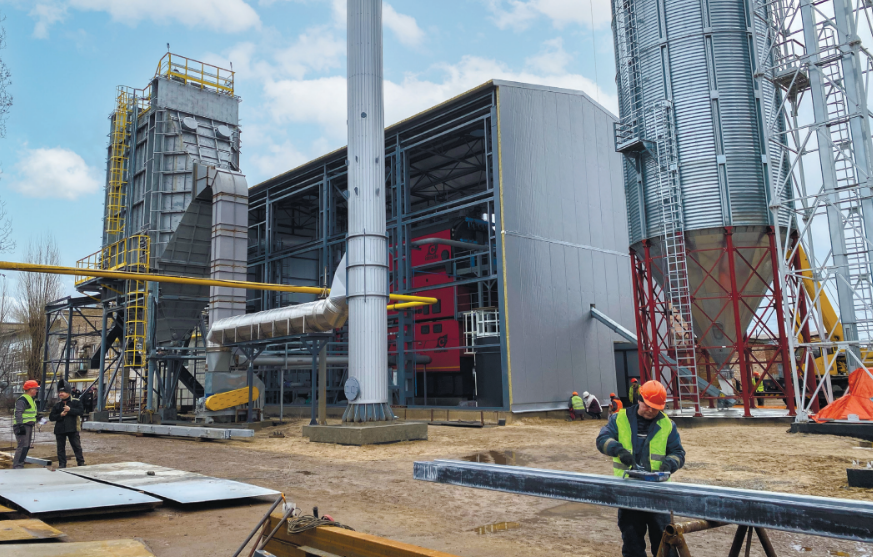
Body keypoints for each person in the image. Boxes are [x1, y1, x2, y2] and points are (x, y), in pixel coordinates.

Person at [596, 380, 685, 557]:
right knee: (632, 544)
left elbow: (678, 453)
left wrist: (669, 465)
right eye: (647, 405)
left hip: (658, 493)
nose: (650, 410)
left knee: (664, 544)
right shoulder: (619, 419)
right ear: (639, 399)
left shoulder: (667, 425)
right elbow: (602, 440)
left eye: (655, 407)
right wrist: (619, 450)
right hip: (628, 491)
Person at [49, 385, 85, 468]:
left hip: (72, 428)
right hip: (60, 429)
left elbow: (81, 412)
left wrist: (70, 410)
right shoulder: (57, 404)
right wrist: (60, 415)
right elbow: (51, 417)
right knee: (60, 448)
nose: (60, 394)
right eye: (59, 392)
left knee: (77, 446)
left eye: (62, 392)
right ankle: (62, 464)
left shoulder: (76, 402)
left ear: (68, 393)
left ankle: (81, 462)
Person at [12, 380, 40, 469]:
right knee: (22, 446)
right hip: (22, 426)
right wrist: (20, 425)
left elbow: (29, 412)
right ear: (30, 389)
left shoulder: (30, 399)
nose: (37, 391)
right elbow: (18, 412)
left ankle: (20, 464)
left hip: (28, 425)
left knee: (26, 446)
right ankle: (17, 465)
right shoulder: (23, 399)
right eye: (35, 389)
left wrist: (37, 416)